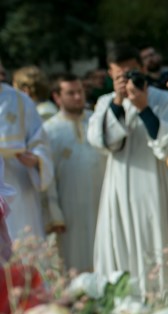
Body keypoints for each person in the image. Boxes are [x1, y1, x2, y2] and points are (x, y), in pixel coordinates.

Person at [88, 45, 168, 297]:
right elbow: (102, 141)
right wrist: (118, 102)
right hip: (120, 189)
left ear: (143, 69)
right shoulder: (104, 103)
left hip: (158, 188)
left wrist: (145, 108)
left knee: (159, 244)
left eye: (132, 72)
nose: (126, 80)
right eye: (119, 76)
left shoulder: (163, 99)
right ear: (111, 76)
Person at [43, 74, 107, 272]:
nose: (78, 97)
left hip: (103, 201)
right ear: (57, 97)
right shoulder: (49, 130)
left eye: (80, 92)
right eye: (71, 93)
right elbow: (47, 176)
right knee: (75, 261)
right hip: (70, 206)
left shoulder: (98, 120)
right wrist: (55, 215)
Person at [0, 79, 54, 239]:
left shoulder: (20, 100)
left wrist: (37, 159)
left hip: (18, 181)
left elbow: (39, 140)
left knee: (22, 238)